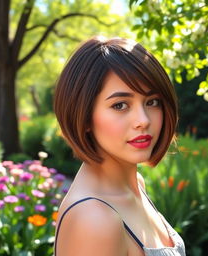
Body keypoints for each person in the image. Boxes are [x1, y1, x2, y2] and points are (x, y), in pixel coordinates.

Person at [53, 36, 186, 256]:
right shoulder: (94, 219)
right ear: (84, 116)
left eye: (152, 101)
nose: (143, 120)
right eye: (120, 105)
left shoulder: (136, 184)